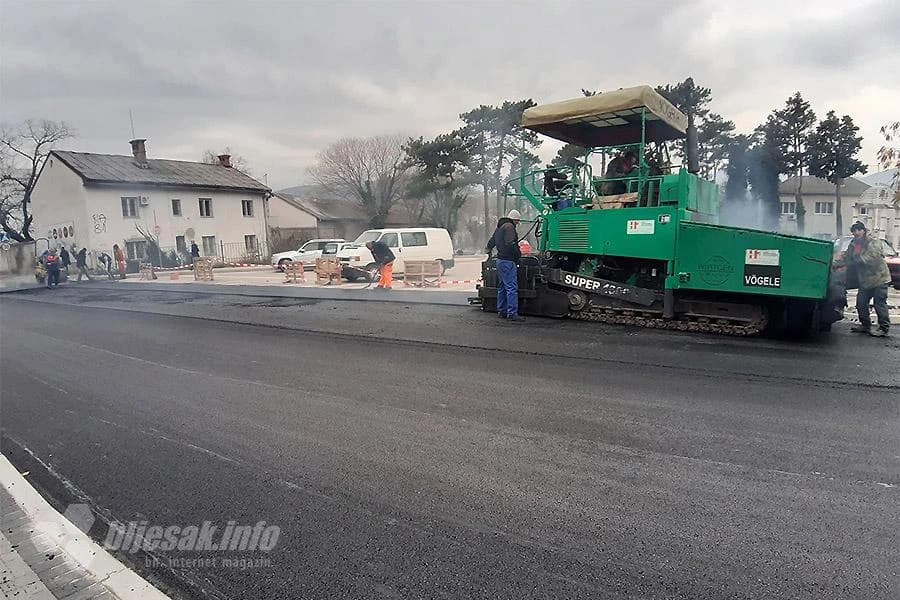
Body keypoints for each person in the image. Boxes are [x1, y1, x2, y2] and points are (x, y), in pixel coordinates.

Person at [833, 222, 891, 336]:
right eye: (854, 231)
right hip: (865, 280)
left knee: (879, 303)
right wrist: (835, 264)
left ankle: (884, 328)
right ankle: (865, 325)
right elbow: (847, 257)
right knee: (861, 303)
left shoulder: (873, 241)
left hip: (879, 278)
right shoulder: (853, 244)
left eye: (858, 230)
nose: (856, 233)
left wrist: (856, 261)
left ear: (863, 230)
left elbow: (872, 256)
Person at [486, 209, 524, 321]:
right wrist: (518, 255)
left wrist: (488, 251)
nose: (516, 225)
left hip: (500, 260)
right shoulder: (509, 227)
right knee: (511, 288)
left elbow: (491, 241)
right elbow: (511, 244)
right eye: (517, 222)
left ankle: (502, 310)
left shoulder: (500, 227)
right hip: (508, 261)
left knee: (502, 286)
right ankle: (512, 313)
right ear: (515, 220)